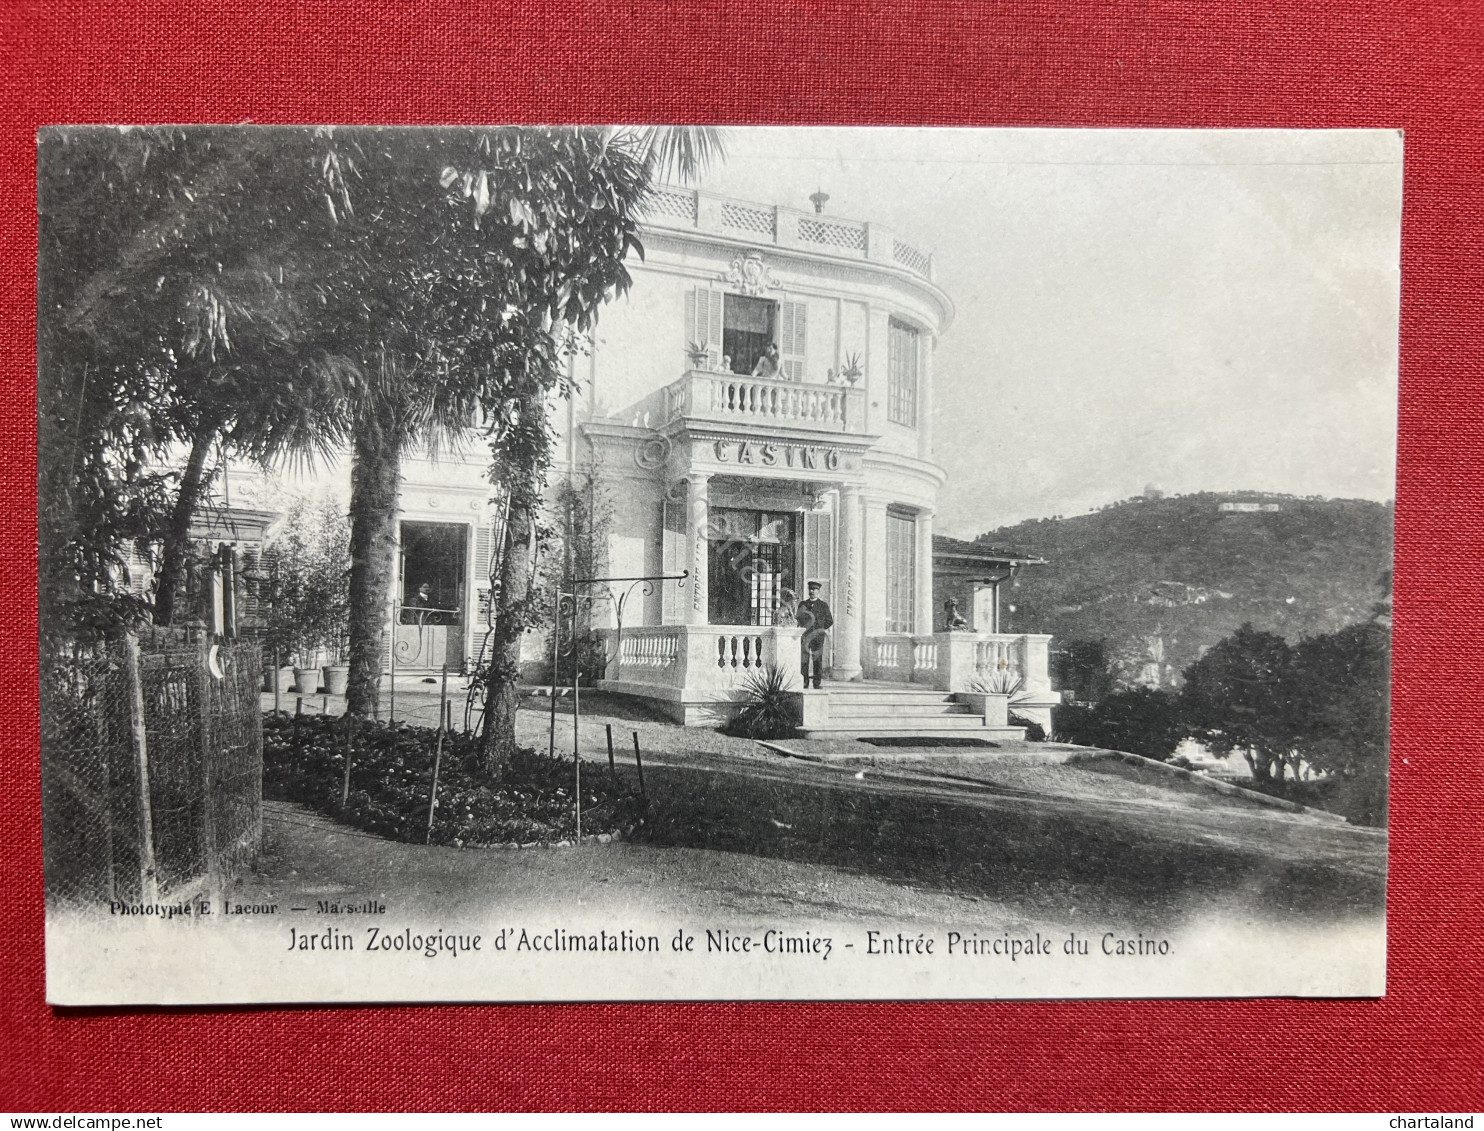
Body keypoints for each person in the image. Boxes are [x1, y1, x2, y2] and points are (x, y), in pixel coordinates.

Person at [795, 580, 833, 689]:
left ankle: (817, 683)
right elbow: (798, 618)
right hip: (805, 636)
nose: (812, 591)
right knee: (804, 660)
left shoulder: (823, 605)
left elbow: (830, 620)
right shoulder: (803, 604)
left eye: (814, 590)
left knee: (817, 660)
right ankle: (804, 682)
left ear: (818, 591)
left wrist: (820, 629)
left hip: (817, 638)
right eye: (810, 589)